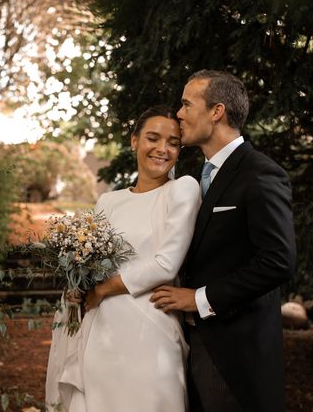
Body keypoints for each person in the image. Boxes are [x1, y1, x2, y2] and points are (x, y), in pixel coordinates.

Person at [150, 70, 296, 412]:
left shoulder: (260, 174)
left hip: (236, 356)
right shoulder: (192, 180)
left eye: (187, 104)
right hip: (189, 346)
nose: (179, 114)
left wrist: (198, 298)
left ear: (217, 112)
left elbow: (278, 260)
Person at [45, 105, 201, 412]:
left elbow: (165, 263)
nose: (162, 149)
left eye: (173, 143)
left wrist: (103, 289)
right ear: (134, 141)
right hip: (100, 331)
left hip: (149, 329)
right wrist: (79, 284)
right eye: (153, 138)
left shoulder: (182, 189)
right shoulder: (109, 200)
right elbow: (90, 260)